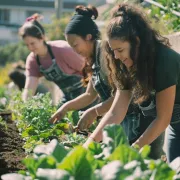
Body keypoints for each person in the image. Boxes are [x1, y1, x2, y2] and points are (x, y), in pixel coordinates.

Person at [84, 3, 180, 163]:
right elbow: (115, 112)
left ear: (137, 42)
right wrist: (88, 145)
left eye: (120, 50)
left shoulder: (164, 60)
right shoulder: (127, 64)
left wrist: (133, 150)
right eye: (113, 50)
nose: (116, 57)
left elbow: (162, 119)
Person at [49, 5, 141, 144]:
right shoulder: (93, 58)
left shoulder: (106, 54)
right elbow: (89, 95)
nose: (74, 50)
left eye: (75, 45)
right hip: (118, 119)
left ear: (88, 37)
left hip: (133, 119)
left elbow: (121, 95)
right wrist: (65, 108)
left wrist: (94, 112)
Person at [19, 13, 85, 102]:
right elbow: (29, 88)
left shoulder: (63, 50)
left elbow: (88, 69)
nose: (30, 48)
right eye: (27, 45)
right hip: (67, 96)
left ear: (42, 37)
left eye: (32, 43)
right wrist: (25, 106)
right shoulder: (32, 60)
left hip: (86, 92)